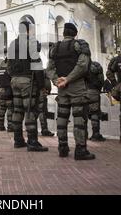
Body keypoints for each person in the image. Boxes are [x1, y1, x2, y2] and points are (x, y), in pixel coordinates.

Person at [46, 22, 95, 160]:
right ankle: (80, 150)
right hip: (77, 87)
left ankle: (62, 148)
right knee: (79, 119)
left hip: (62, 89)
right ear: (75, 33)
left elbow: (49, 69)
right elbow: (83, 65)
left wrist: (57, 81)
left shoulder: (55, 48)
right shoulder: (80, 45)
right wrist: (68, 79)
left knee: (62, 118)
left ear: (64, 34)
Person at [7, 21, 48, 152]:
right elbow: (36, 64)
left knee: (17, 110)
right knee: (30, 110)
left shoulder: (13, 44)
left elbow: (9, 65)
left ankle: (18, 140)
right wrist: (42, 85)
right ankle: (32, 142)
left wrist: (13, 78)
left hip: (14, 80)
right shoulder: (31, 42)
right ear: (28, 30)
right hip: (27, 81)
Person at [86, 61, 106, 141]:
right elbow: (101, 80)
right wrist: (98, 89)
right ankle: (95, 134)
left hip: (81, 91)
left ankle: (83, 135)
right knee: (94, 112)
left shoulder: (79, 65)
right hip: (93, 91)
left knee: (82, 113)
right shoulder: (96, 65)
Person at [0, 57, 14, 132]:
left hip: (1, 91)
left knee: (2, 109)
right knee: (10, 109)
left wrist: (0, 87)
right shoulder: (10, 70)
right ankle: (10, 126)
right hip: (9, 91)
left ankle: (1, 126)